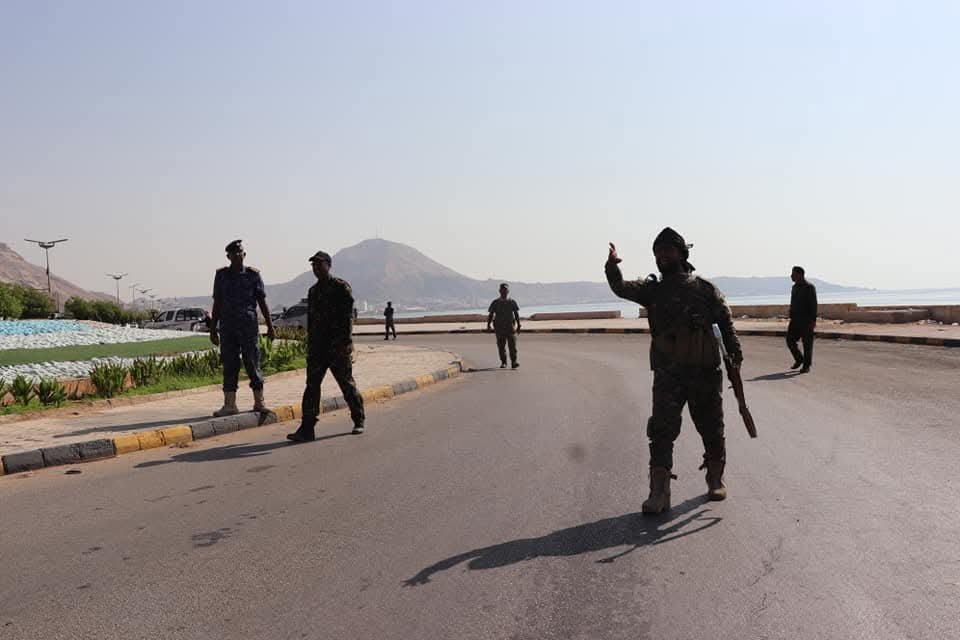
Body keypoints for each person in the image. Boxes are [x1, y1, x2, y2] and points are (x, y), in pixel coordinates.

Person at [605, 228, 743, 513]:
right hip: (668, 375)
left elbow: (726, 324)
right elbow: (620, 287)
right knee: (661, 431)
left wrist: (735, 356)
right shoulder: (652, 291)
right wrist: (612, 266)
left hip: (704, 371)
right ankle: (659, 491)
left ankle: (715, 478)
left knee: (712, 427)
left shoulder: (705, 290)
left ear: (681, 253)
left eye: (667, 250)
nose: (662, 256)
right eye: (657, 252)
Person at [287, 250, 365, 442]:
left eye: (319, 264)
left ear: (328, 265)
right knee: (311, 387)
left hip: (337, 346)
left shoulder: (340, 287)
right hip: (317, 348)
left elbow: (348, 317)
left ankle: (358, 419)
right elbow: (311, 320)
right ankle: (307, 428)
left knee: (346, 384)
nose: (316, 268)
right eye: (313, 265)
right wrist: (309, 343)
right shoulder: (313, 291)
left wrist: (347, 342)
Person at [210, 239, 276, 416]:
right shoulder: (221, 276)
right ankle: (230, 405)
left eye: (240, 252)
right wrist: (213, 329)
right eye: (234, 253)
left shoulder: (253, 275)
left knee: (252, 361)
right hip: (228, 327)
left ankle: (259, 402)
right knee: (230, 363)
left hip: (248, 326)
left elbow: (262, 302)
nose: (238, 255)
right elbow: (217, 303)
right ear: (228, 256)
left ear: (244, 255)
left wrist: (270, 326)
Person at [787, 266, 817, 373]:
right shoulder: (794, 287)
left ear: (800, 275)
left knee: (807, 344)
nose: (791, 276)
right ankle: (799, 359)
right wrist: (791, 314)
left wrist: (813, 321)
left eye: (793, 274)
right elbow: (793, 302)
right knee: (789, 340)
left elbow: (813, 305)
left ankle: (806, 366)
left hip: (806, 321)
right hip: (795, 320)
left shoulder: (809, 287)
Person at [487, 283, 521, 369]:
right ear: (499, 291)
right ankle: (503, 362)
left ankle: (514, 362)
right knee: (501, 346)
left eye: (505, 290)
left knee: (512, 346)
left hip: (510, 327)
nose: (504, 292)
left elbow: (516, 314)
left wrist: (519, 325)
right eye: (502, 290)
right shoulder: (495, 302)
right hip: (499, 328)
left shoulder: (512, 302)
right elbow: (491, 314)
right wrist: (488, 325)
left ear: (508, 291)